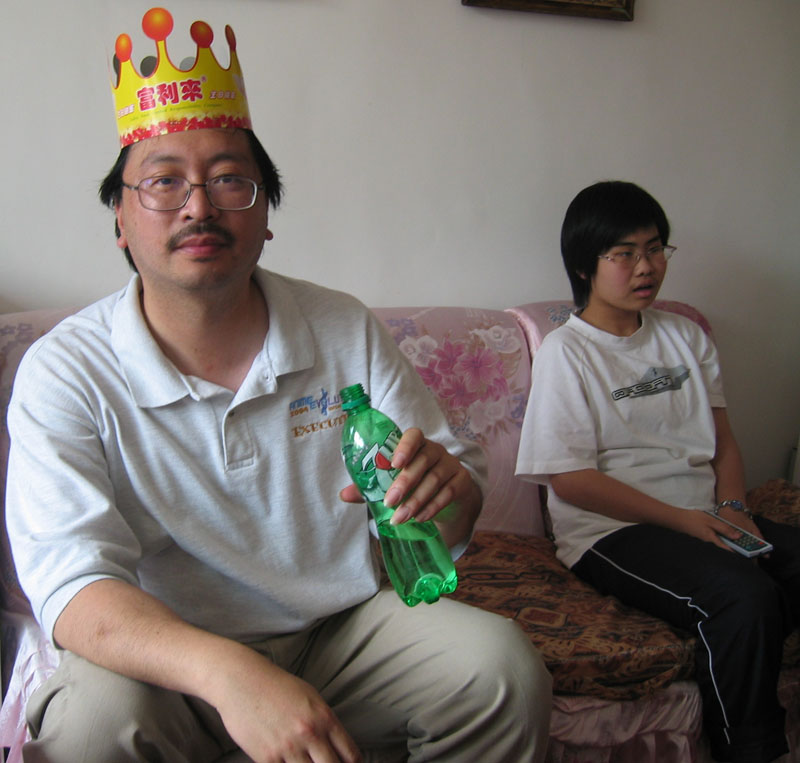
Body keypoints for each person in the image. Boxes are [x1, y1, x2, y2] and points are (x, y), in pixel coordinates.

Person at [5, 8, 551, 762]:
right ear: (120, 221)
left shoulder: (343, 328)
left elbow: (448, 514)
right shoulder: (66, 369)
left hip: (342, 632)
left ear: (266, 215)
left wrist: (448, 494)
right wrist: (232, 676)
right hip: (169, 656)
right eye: (164, 181)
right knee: (92, 726)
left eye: (230, 179)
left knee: (499, 670)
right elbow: (70, 586)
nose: (200, 205)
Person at [515, 179, 800, 763]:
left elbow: (723, 442)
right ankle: (749, 750)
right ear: (585, 265)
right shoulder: (568, 352)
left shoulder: (685, 336)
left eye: (655, 248)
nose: (646, 267)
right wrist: (685, 521)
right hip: (611, 530)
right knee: (741, 596)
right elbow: (570, 480)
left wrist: (733, 509)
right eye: (624, 254)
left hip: (705, 515)